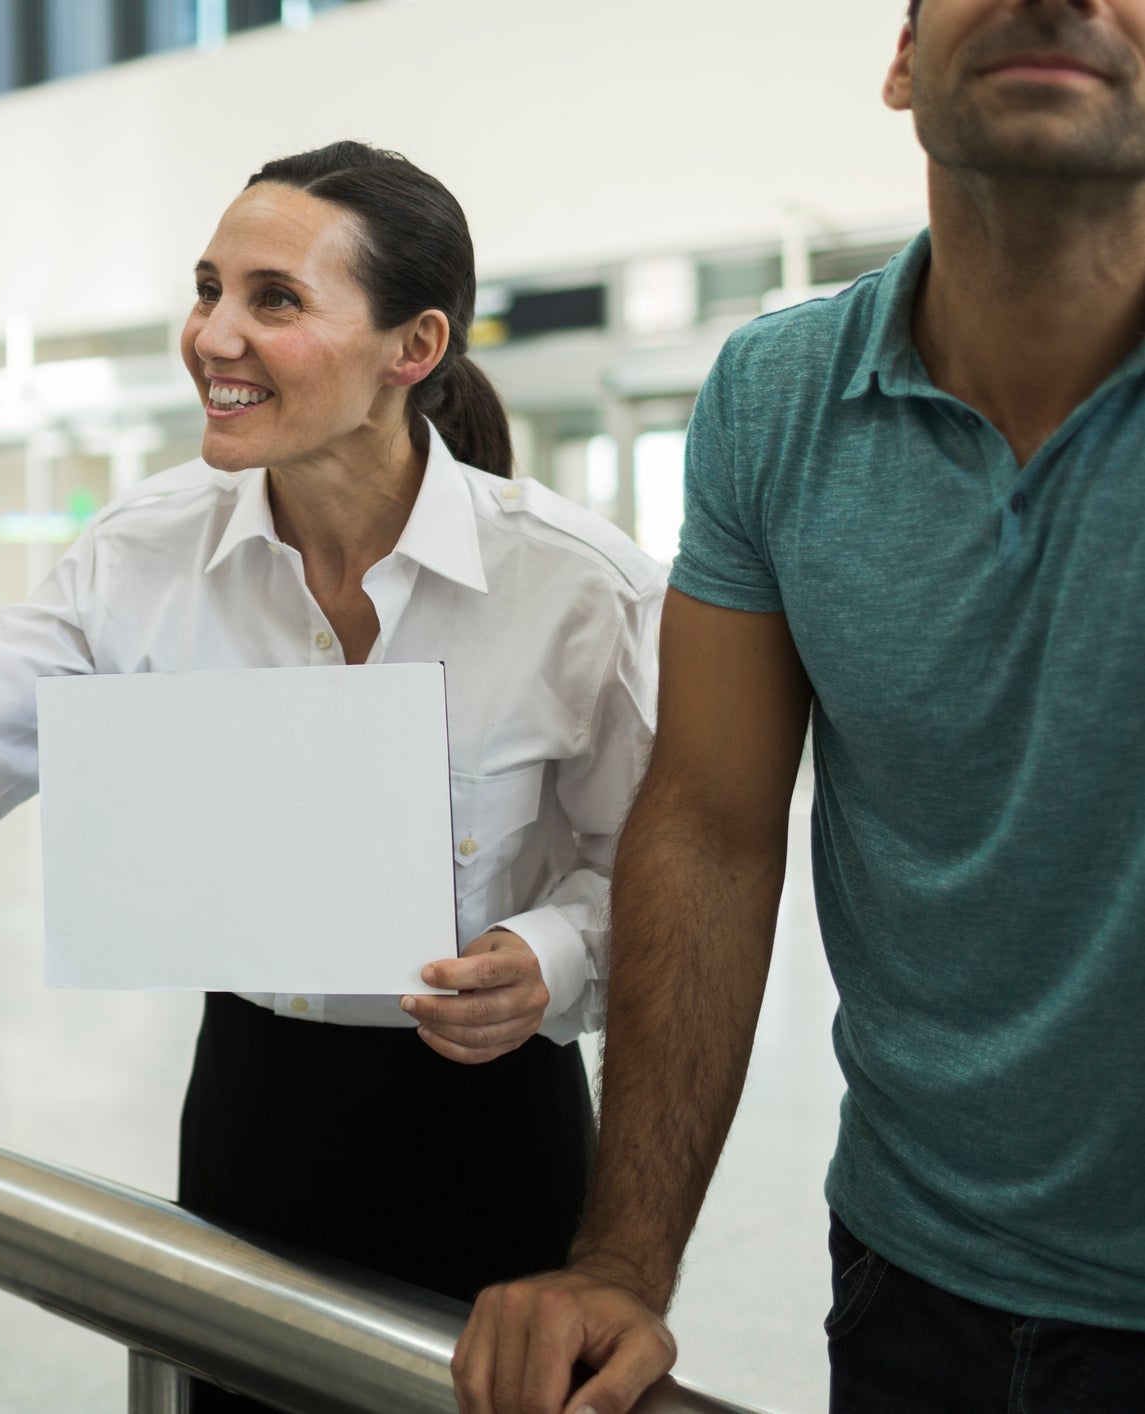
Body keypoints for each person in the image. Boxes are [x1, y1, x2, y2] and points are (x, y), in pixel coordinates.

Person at [0, 140, 665, 1413]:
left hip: (495, 1127)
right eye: (207, 288)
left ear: (412, 348)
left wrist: (552, 956)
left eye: (274, 299)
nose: (213, 335)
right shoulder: (141, 555)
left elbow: (653, 872)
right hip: (255, 1107)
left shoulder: (579, 589)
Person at [452, 3, 1145, 1412]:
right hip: (913, 1278)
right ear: (899, 64)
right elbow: (709, 822)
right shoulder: (779, 400)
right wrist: (621, 1260)